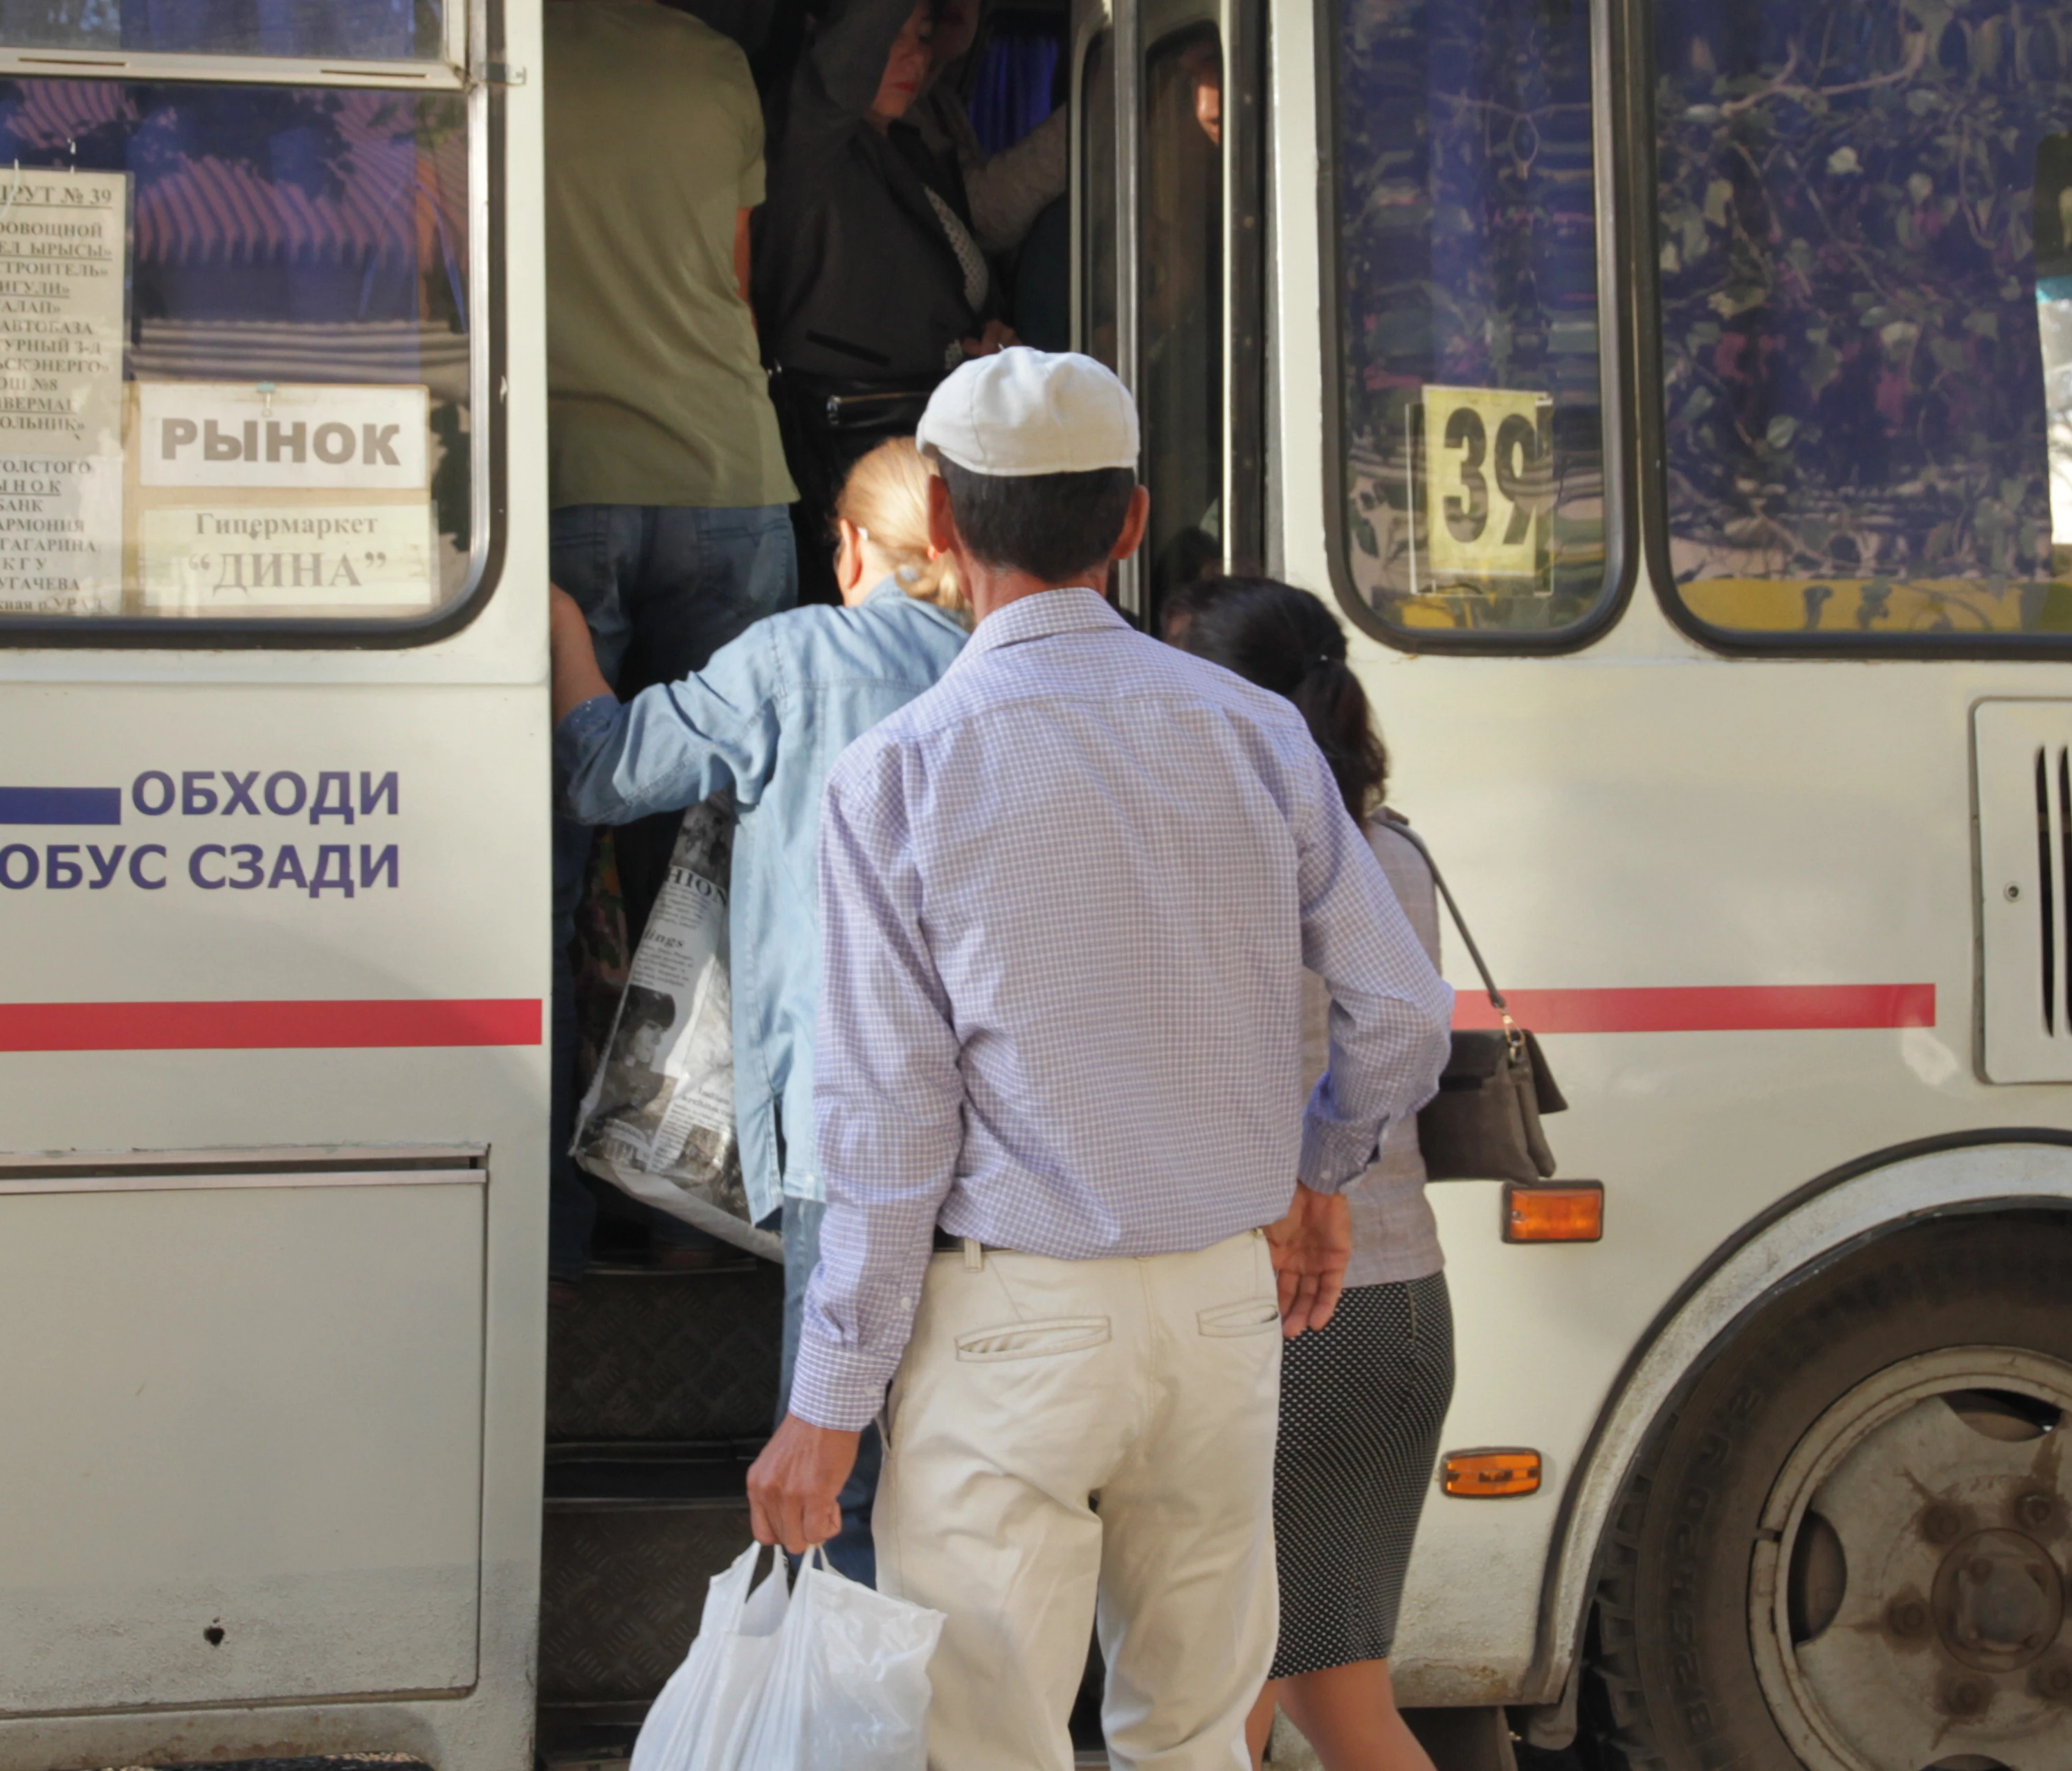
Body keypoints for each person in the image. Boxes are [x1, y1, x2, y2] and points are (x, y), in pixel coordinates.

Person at [747, 347, 1453, 1771]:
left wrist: (828, 1402)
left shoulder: (898, 769)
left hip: (1011, 1331)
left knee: (985, 1745)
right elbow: (1404, 1019)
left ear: (937, 524)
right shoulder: (1256, 732)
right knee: (1193, 1736)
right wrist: (1318, 1174)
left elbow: (887, 1127)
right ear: (1133, 524)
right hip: (1218, 1315)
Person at [545, 438, 970, 1580]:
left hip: (848, 1134)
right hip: (1020, 1151)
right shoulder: (1020, 673)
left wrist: (559, 627)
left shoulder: (791, 663)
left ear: (844, 549)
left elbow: (605, 770)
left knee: (844, 1490)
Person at [542, 0, 798, 1276]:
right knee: (719, 875)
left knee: (549, 873)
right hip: (725, 478)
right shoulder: (712, 65)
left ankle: (560, 1238)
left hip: (561, 495)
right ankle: (710, 1222)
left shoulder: (493, 52)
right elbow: (736, 284)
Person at [1167, 577, 1458, 1771]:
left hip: (1302, 1319)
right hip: (1400, 1314)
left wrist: (1308, 1176)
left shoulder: (1238, 855)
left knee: (1233, 1696)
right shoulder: (1383, 847)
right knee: (1327, 1699)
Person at [752, 0, 1012, 598]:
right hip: (856, 471)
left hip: (932, 459)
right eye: (886, 40)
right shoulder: (810, 144)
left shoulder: (909, 152)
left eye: (921, 38)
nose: (911, 58)